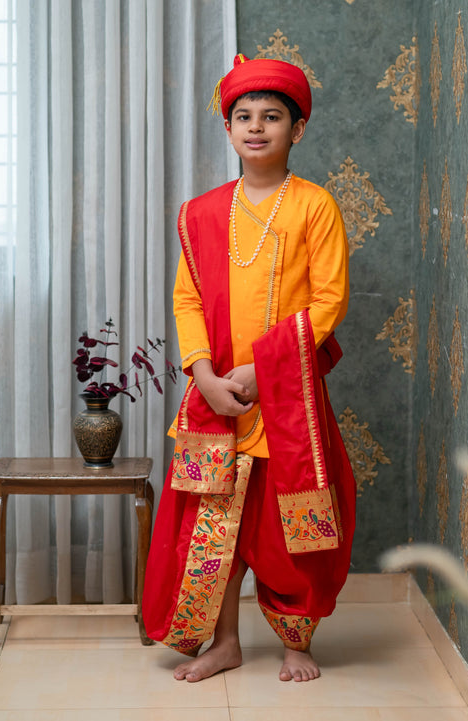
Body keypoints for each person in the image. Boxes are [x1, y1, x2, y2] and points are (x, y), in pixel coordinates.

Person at [142, 53, 356, 683]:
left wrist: (265, 371)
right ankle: (226, 641)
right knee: (215, 527)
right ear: (228, 128)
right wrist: (203, 373)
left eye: (272, 116)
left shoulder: (314, 207)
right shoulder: (201, 213)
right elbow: (187, 299)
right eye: (243, 116)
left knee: (293, 525)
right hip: (216, 397)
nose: (256, 126)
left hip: (288, 399)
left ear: (298, 129)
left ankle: (296, 641)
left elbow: (329, 300)